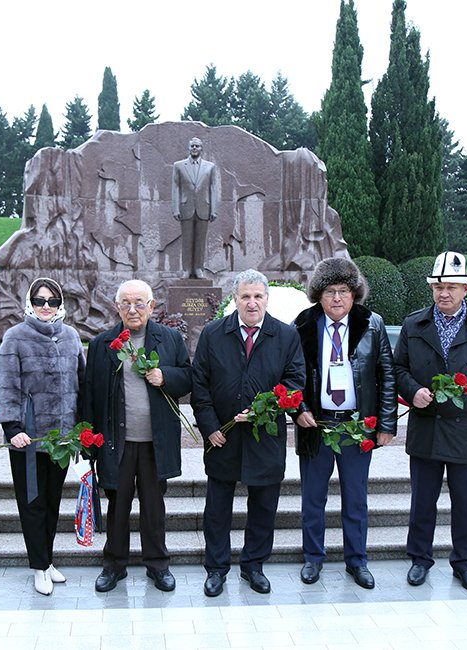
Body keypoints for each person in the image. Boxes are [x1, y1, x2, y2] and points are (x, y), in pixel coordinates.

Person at [394, 251, 467, 593]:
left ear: (466, 288)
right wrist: (413, 392)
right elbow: (397, 369)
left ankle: (465, 563)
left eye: (453, 287)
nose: (445, 293)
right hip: (427, 427)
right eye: (439, 286)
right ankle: (419, 560)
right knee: (423, 500)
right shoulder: (414, 325)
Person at [191, 269, 306, 596]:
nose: (252, 303)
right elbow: (199, 385)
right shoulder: (214, 334)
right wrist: (211, 427)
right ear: (235, 299)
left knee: (263, 507)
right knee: (217, 510)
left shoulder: (286, 336)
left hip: (264, 439)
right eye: (245, 296)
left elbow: (295, 382)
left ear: (266, 299)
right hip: (223, 439)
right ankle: (216, 568)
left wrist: (264, 410)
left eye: (258, 296)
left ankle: (254, 566)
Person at [293, 258, 397, 589]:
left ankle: (357, 560)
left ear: (354, 294)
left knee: (355, 498)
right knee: (312, 498)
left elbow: (388, 375)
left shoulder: (372, 324)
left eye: (343, 291)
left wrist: (386, 423)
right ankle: (313, 558)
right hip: (316, 426)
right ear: (318, 295)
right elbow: (292, 375)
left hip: (356, 427)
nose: (337, 298)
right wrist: (299, 408)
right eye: (329, 291)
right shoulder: (303, 325)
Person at [83, 280, 192, 593]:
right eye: (126, 303)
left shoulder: (169, 339)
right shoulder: (103, 344)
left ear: (152, 306)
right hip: (116, 442)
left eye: (139, 303)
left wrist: (164, 376)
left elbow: (187, 378)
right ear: (117, 308)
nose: (133, 309)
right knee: (117, 506)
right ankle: (114, 565)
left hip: (155, 442)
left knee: (154, 506)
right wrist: (89, 440)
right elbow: (90, 393)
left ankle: (157, 564)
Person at [0, 278, 85, 596]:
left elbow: (81, 383)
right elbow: (5, 385)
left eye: (52, 301)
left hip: (61, 440)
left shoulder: (72, 337)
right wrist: (12, 429)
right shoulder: (15, 337)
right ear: (29, 303)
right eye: (39, 300)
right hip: (28, 439)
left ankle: (46, 561)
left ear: (61, 304)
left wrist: (82, 428)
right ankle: (38, 567)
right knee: (31, 503)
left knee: (51, 501)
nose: (45, 306)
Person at [171, 137, 218, 279]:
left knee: (200, 241)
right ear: (189, 148)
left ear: (201, 148)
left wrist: (213, 209)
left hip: (204, 208)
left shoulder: (210, 167)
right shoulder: (179, 165)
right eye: (192, 146)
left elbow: (213, 188)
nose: (195, 148)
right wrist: (175, 208)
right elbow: (176, 187)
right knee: (187, 241)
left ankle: (198, 268)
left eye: (197, 146)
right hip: (186, 207)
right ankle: (186, 269)